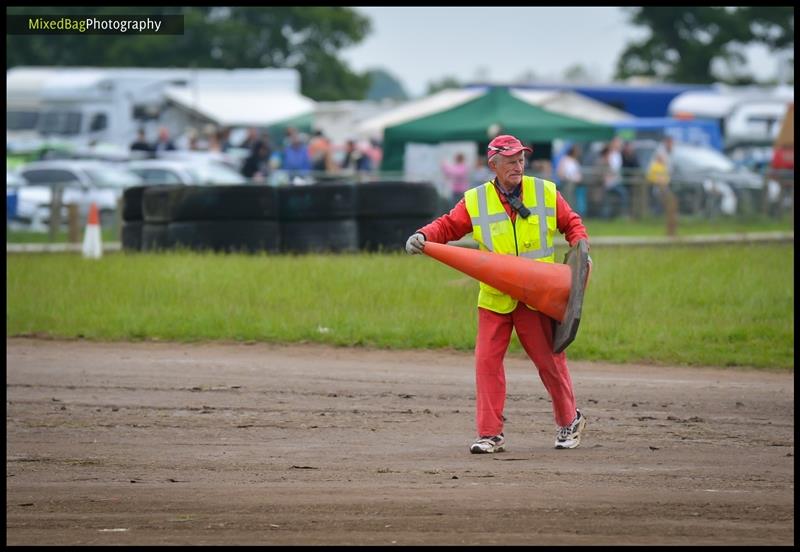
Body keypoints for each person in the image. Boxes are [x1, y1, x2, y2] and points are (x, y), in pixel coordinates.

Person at [404, 134, 589, 454]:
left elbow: (572, 224)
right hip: (495, 297)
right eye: (511, 161)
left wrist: (581, 251)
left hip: (537, 296)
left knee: (550, 362)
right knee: (486, 364)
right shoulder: (475, 200)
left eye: (521, 160)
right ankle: (490, 434)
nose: (518, 166)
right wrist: (424, 235)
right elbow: (448, 226)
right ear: (494, 165)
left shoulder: (545, 192)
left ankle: (569, 421)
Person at [555, 144, 585, 216]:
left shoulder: (575, 161)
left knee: (574, 199)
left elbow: (577, 173)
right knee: (567, 198)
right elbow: (560, 172)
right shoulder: (565, 159)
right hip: (567, 183)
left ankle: (573, 213)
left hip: (576, 184)